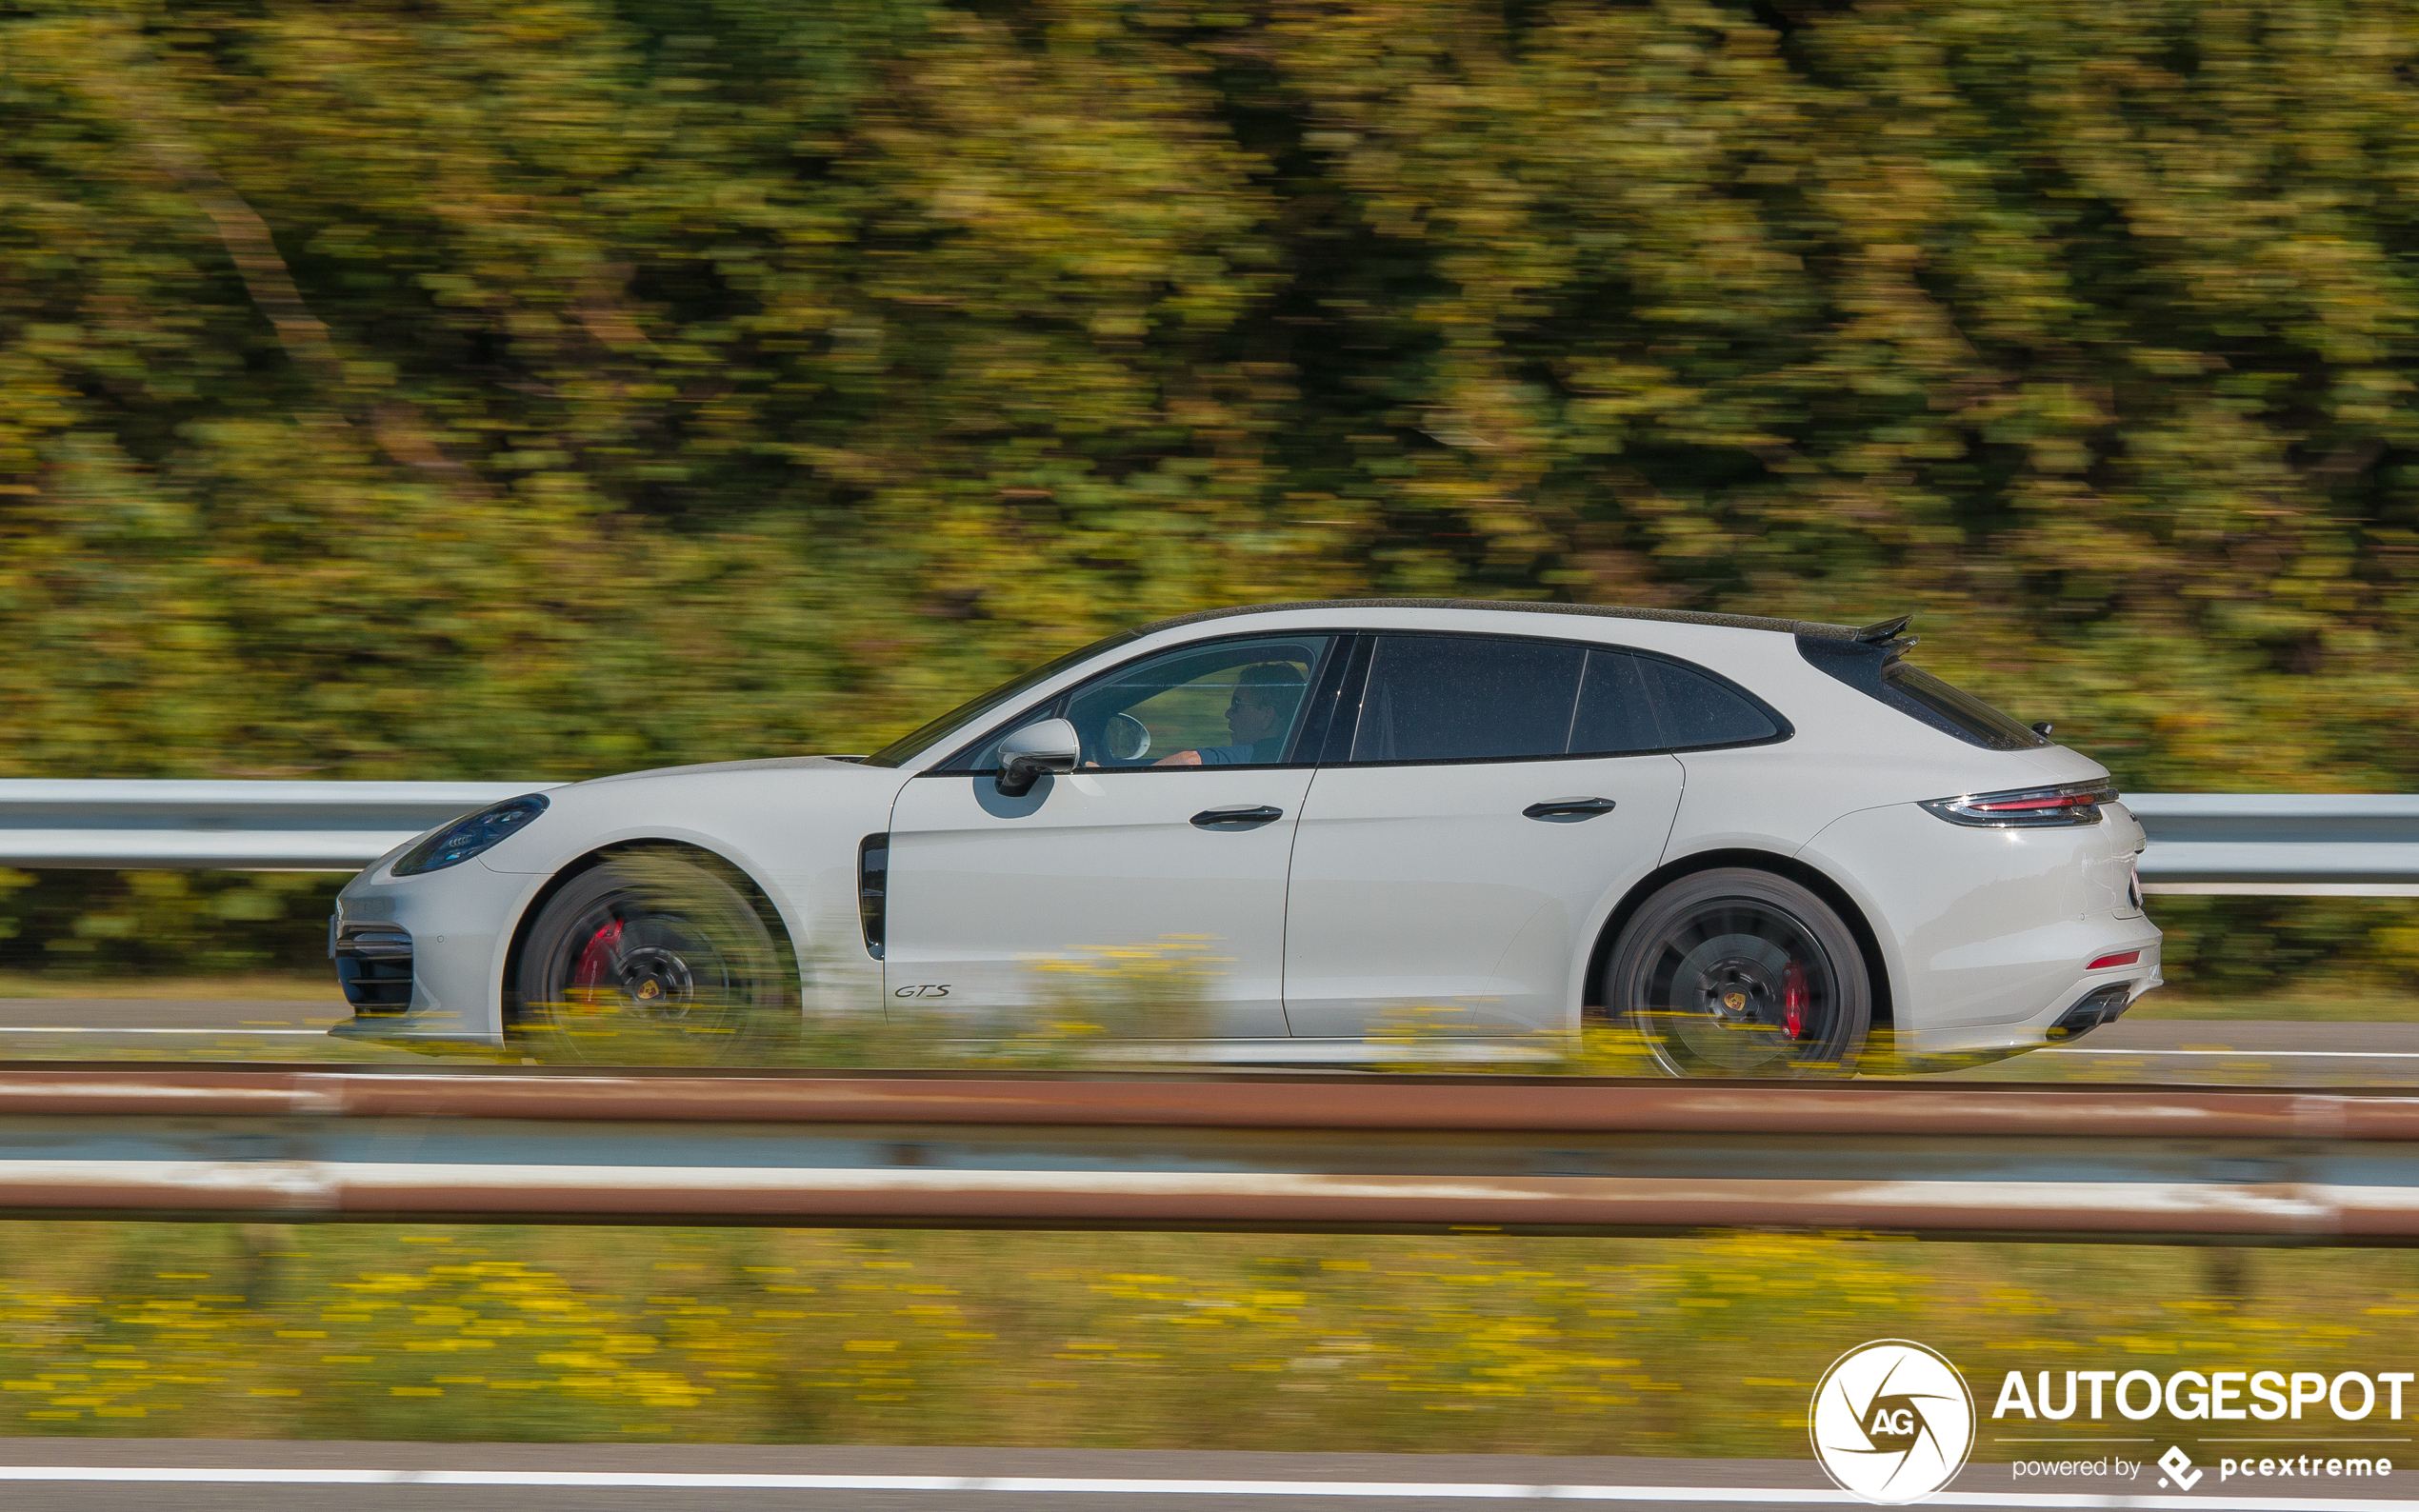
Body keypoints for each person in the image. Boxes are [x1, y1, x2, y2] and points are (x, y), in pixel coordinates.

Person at [1154, 663, 1307, 766]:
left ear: (1266, 716)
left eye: (1236, 705)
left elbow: (1188, 761)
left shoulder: (1259, 754)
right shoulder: (1292, 753)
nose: (1228, 713)